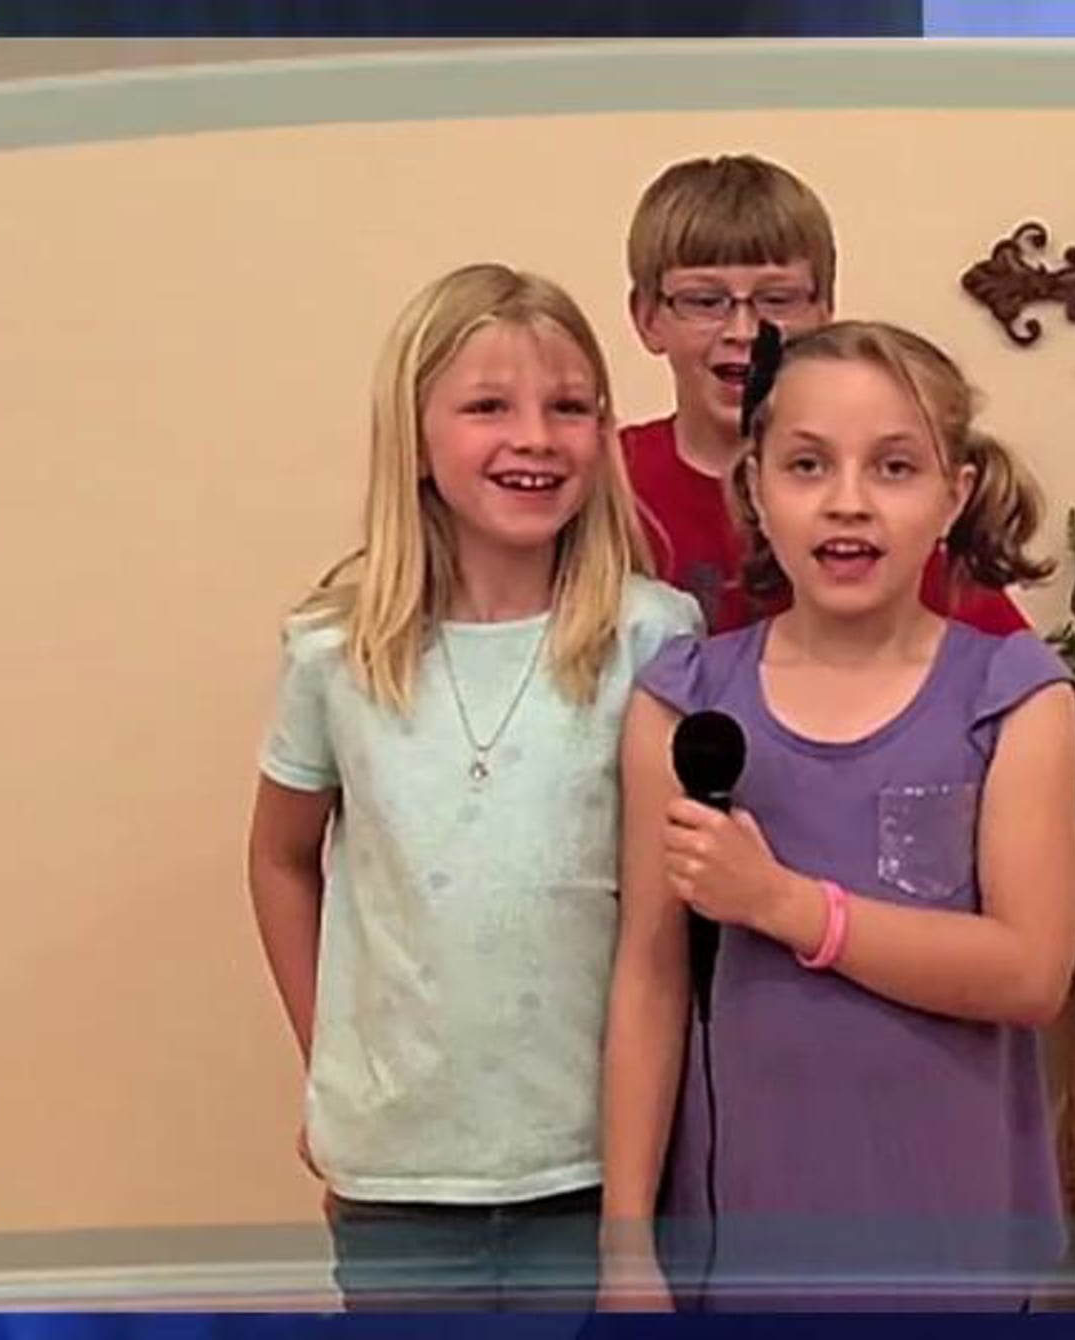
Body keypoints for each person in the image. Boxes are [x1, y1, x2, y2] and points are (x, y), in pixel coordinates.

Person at [598, 320, 1075, 1311]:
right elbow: (649, 976)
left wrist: (785, 904)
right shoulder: (684, 703)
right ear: (756, 488)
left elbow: (1031, 972)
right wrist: (626, 1242)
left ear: (953, 495)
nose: (848, 500)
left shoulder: (1014, 695)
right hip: (743, 1250)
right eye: (808, 464)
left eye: (894, 467)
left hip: (957, 1247)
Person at [245, 262, 702, 1311]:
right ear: (414, 437)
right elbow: (280, 857)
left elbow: (661, 936)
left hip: (594, 1171)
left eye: (569, 407)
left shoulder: (653, 638)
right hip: (397, 1183)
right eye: (489, 406)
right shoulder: (333, 652)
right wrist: (329, 1062)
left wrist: (630, 1230)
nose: (534, 438)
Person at [618, 152, 1031, 636]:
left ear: (824, 310)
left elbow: (1010, 659)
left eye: (777, 299)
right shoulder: (608, 481)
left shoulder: (884, 492)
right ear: (648, 318)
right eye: (705, 301)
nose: (744, 331)